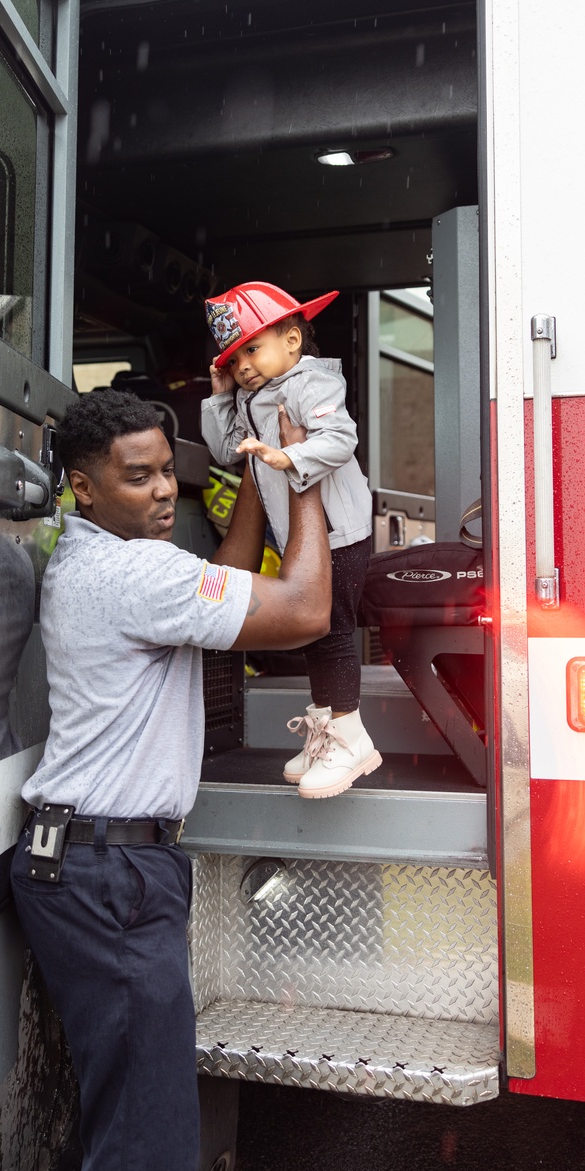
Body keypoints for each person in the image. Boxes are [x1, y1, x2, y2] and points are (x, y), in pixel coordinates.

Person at [10, 387, 330, 1171]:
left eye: (166, 472)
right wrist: (302, 475)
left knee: (136, 1120)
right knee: (145, 1132)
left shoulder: (106, 561)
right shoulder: (131, 576)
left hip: (94, 863)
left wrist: (258, 484)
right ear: (80, 484)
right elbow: (303, 610)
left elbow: (220, 572)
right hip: (108, 872)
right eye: (138, 476)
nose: (162, 492)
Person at [201, 279, 380, 798]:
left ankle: (351, 741)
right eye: (233, 360)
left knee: (330, 631)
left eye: (252, 349)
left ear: (292, 341)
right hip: (303, 537)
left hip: (340, 533)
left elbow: (341, 439)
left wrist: (291, 457)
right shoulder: (254, 396)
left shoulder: (308, 384)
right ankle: (327, 733)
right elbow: (226, 452)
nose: (243, 366)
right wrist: (219, 399)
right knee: (313, 636)